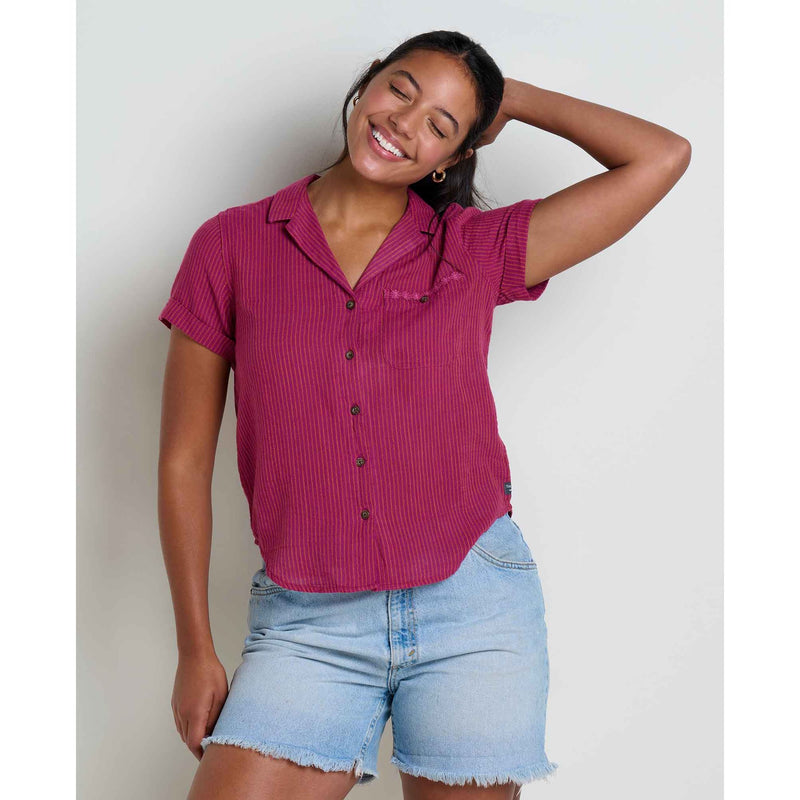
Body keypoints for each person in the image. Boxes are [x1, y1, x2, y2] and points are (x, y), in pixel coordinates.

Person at [157, 30, 691, 800]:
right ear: (370, 79)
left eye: (441, 124)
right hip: (309, 621)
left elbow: (662, 157)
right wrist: (195, 648)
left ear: (454, 155)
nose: (405, 124)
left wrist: (513, 99)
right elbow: (184, 462)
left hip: (473, 609)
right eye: (401, 90)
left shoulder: (474, 249)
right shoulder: (230, 246)